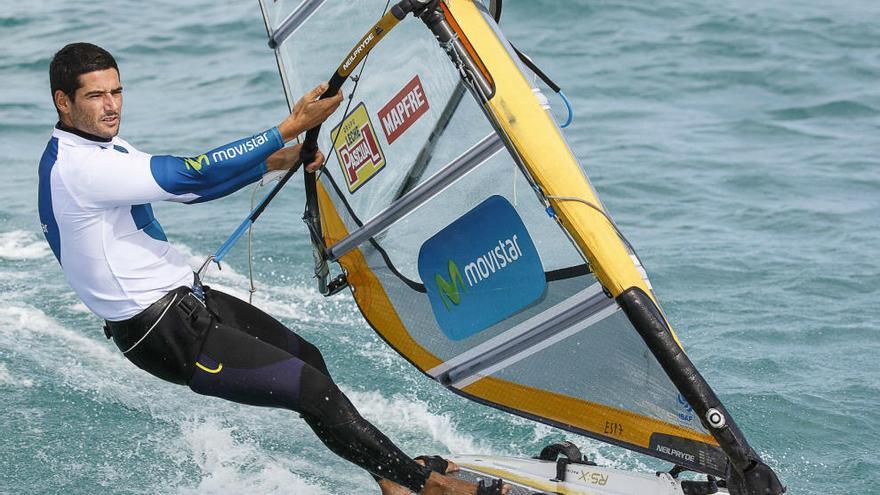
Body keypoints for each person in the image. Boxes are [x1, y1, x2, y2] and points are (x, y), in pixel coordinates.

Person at [38, 42, 507, 495]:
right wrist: (290, 127)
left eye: (116, 91)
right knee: (309, 390)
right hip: (165, 332)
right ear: (63, 101)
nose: (112, 105)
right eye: (96, 96)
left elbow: (190, 189)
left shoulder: (104, 149)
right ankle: (430, 486)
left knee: (309, 360)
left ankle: (390, 478)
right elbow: (194, 174)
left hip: (189, 302)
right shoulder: (79, 168)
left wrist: (281, 160)